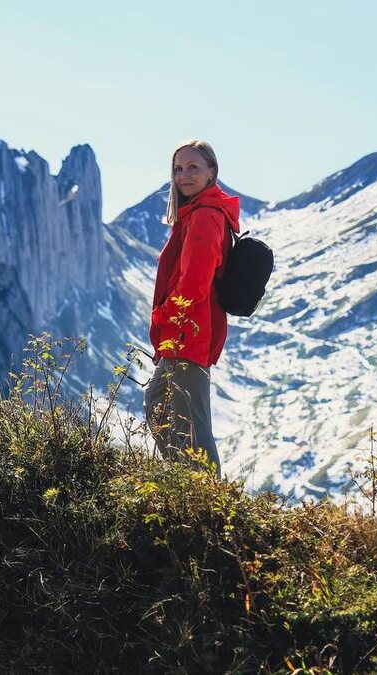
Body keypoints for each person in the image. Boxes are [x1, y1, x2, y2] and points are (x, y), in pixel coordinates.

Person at [143, 139, 240, 477]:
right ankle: (187, 486)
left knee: (192, 422)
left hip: (190, 332)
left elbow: (194, 285)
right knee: (159, 405)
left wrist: (163, 316)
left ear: (212, 173)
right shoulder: (193, 215)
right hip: (184, 330)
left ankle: (207, 499)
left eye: (193, 167)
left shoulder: (205, 217)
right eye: (178, 168)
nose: (184, 175)